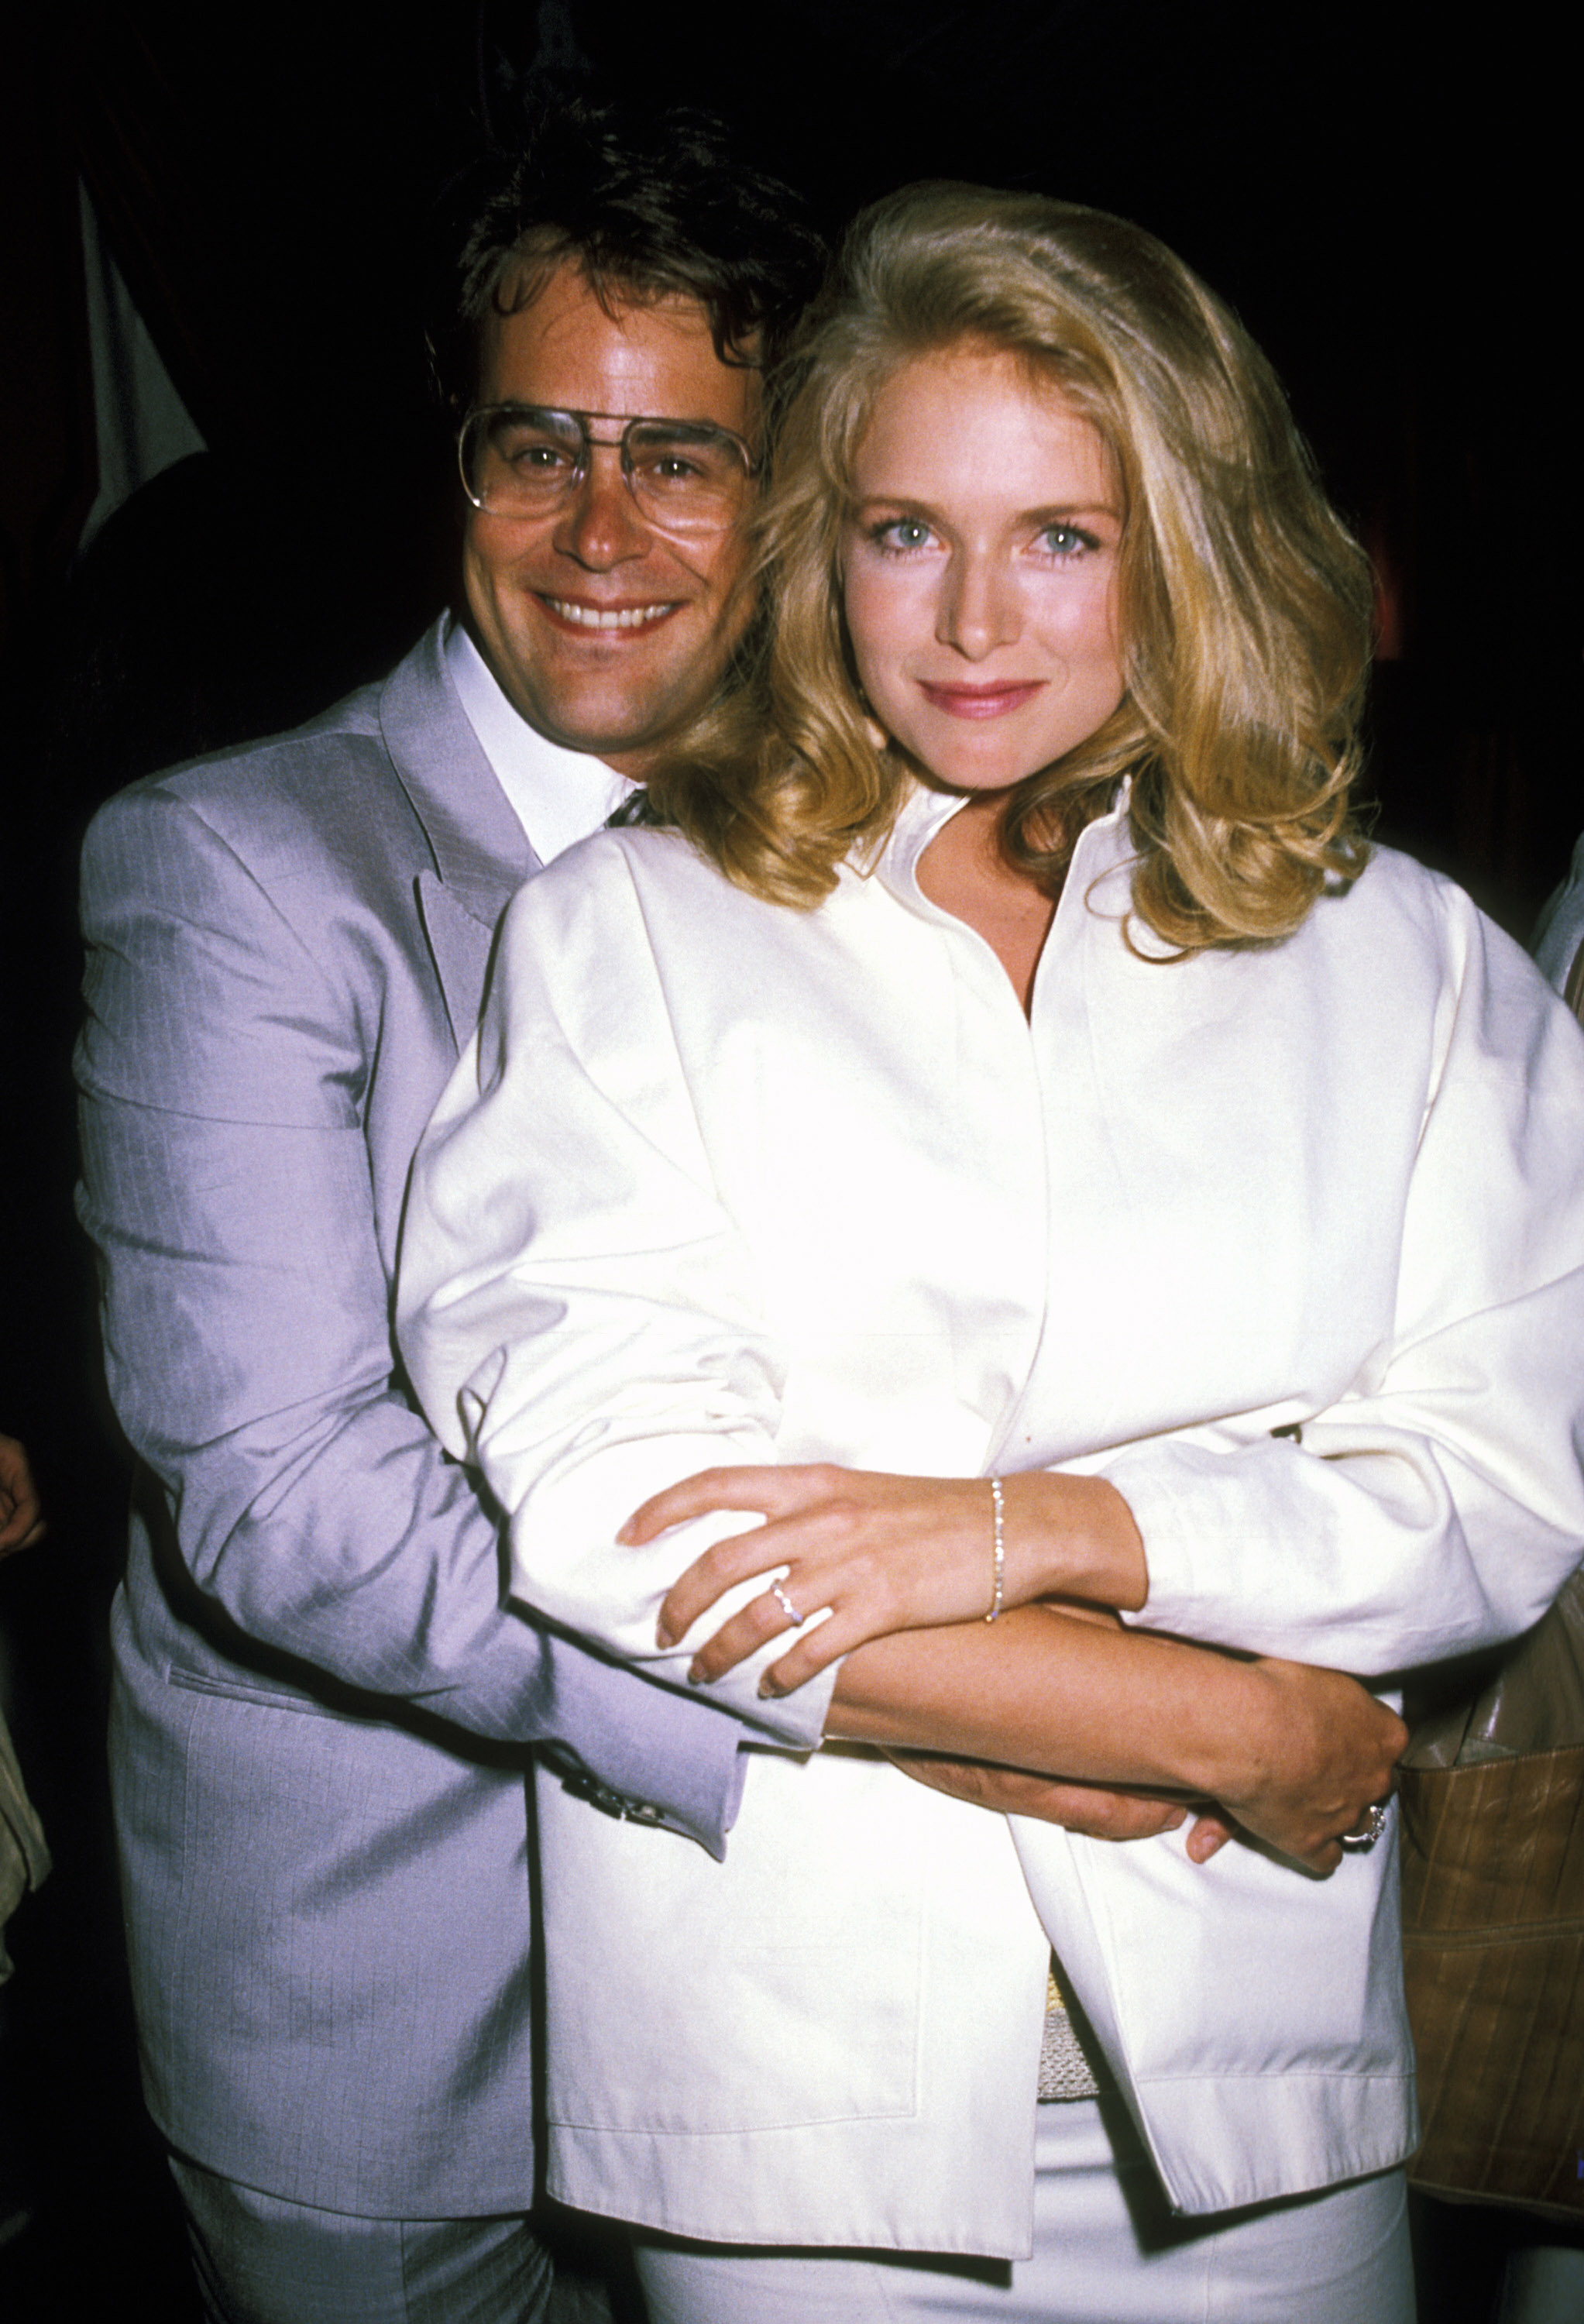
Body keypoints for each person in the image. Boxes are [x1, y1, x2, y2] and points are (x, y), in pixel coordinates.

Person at [398, 184, 1584, 2323]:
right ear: (816, 550)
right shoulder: (625, 941)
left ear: (1187, 548)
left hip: (1266, 2101)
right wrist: (1209, 1711)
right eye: (901, 529)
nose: (968, 619)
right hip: (791, 2116)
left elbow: (1488, 1499)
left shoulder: (1409, 965)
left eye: (1063, 532)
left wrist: (1030, 1530)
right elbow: (606, 1514)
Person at [73, 102, 832, 2324]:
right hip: (393, 2021)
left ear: (785, 496)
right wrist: (840, 1721)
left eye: (680, 456)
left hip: (771, 2009)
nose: (600, 529)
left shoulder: (863, 868)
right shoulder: (238, 869)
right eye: (537, 447)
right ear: (461, 463)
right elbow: (286, 1491)